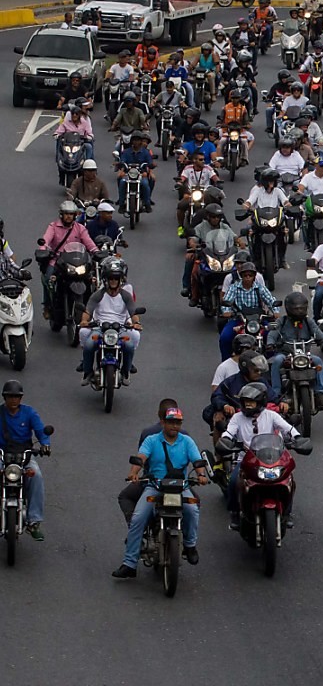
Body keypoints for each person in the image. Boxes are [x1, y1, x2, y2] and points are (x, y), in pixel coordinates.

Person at [112, 406, 207, 578]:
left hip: (181, 487)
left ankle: (190, 545)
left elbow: (197, 460)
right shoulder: (151, 440)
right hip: (154, 486)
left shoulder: (187, 441)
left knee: (193, 510)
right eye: (171, 422)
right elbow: (141, 457)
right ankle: (130, 563)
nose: (174, 426)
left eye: (178, 423)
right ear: (163, 422)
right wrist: (133, 472)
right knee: (138, 518)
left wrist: (201, 475)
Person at [219, 382, 302, 527]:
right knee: (233, 482)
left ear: (261, 402)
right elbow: (229, 432)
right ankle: (234, 512)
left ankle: (287, 513)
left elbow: (287, 428)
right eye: (245, 402)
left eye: (251, 402)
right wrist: (225, 440)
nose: (247, 405)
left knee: (289, 481)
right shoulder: (237, 418)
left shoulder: (271, 415)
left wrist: (298, 438)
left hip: (270, 458)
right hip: (245, 460)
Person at [78, 257, 141, 385]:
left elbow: (133, 313)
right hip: (99, 329)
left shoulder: (125, 295)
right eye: (111, 279)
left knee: (129, 347)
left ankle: (126, 372)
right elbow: (88, 311)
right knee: (89, 345)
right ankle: (88, 372)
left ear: (120, 280)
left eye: (116, 279)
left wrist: (136, 323)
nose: (113, 282)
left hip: (121, 329)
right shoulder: (98, 294)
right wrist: (85, 321)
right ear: (106, 280)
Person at [0, 381, 50, 542]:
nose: (13, 399)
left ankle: (34, 521)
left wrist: (45, 445)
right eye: (10, 396)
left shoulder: (29, 413)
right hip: (2, 453)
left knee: (36, 477)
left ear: (20, 398)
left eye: (16, 396)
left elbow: (41, 431)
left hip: (24, 454)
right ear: (4, 397)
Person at [267, 292, 323, 410]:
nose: (300, 311)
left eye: (302, 308)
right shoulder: (282, 321)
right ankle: (276, 392)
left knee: (319, 362)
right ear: (289, 308)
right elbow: (273, 332)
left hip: (304, 354)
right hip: (285, 354)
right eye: (296, 308)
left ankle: (319, 393)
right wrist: (270, 343)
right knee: (276, 361)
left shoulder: (308, 321)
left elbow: (316, 331)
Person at [38, 201, 98, 314]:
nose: (68, 216)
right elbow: (45, 241)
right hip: (58, 261)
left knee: (92, 280)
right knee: (48, 279)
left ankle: (91, 309)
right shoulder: (53, 227)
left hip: (77, 262)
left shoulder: (80, 228)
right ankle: (48, 305)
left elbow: (89, 243)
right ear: (61, 214)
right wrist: (42, 251)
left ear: (75, 215)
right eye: (66, 213)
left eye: (71, 214)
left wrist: (96, 252)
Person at [218, 262, 277, 359]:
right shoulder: (234, 287)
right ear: (241, 276)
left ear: (254, 276)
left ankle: (270, 359)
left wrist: (275, 311)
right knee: (225, 337)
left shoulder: (260, 288)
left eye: (250, 275)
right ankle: (226, 360)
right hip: (239, 320)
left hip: (259, 320)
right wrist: (226, 311)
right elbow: (227, 300)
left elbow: (271, 300)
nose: (248, 277)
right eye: (245, 275)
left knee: (273, 335)